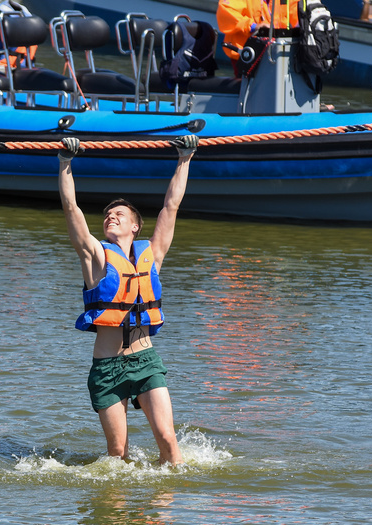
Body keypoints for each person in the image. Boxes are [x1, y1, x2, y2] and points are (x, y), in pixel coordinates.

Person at [57, 135, 198, 466]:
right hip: (107, 368)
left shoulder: (152, 255)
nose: (111, 217)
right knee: (118, 456)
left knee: (167, 441)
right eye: (107, 216)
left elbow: (171, 206)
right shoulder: (95, 258)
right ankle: (117, 516)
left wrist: (185, 157)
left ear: (135, 225)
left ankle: (163, 513)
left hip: (145, 362)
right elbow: (70, 208)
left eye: (118, 214)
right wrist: (65, 163)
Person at [217, 0, 299, 72]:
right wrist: (253, 26)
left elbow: (298, 11)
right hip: (248, 55)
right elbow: (225, 12)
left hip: (281, 52)